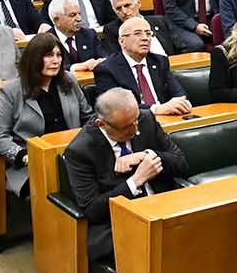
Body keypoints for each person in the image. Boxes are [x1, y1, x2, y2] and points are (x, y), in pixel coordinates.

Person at [62, 87, 190, 261]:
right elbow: (93, 209)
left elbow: (182, 164)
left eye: (136, 121)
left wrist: (147, 155)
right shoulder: (80, 151)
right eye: (126, 127)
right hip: (119, 222)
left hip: (162, 205)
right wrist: (135, 181)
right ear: (102, 124)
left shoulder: (146, 120)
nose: (136, 130)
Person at [0, 33, 93, 196]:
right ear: (34, 59)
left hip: (74, 154)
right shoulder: (12, 91)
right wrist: (24, 156)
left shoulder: (69, 81)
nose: (56, 60)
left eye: (59, 55)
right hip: (34, 164)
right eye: (48, 55)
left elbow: (88, 118)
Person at [92, 15, 194, 116]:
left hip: (167, 117)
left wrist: (181, 102)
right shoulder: (106, 69)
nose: (145, 38)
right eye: (138, 34)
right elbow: (115, 107)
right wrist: (156, 109)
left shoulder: (159, 61)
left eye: (148, 34)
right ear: (122, 41)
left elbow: (178, 92)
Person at [44, 0, 105, 71]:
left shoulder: (89, 35)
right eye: (72, 15)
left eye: (79, 14)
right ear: (57, 20)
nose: (79, 19)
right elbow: (46, 67)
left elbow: (104, 58)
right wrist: (75, 67)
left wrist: (100, 62)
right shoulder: (45, 42)